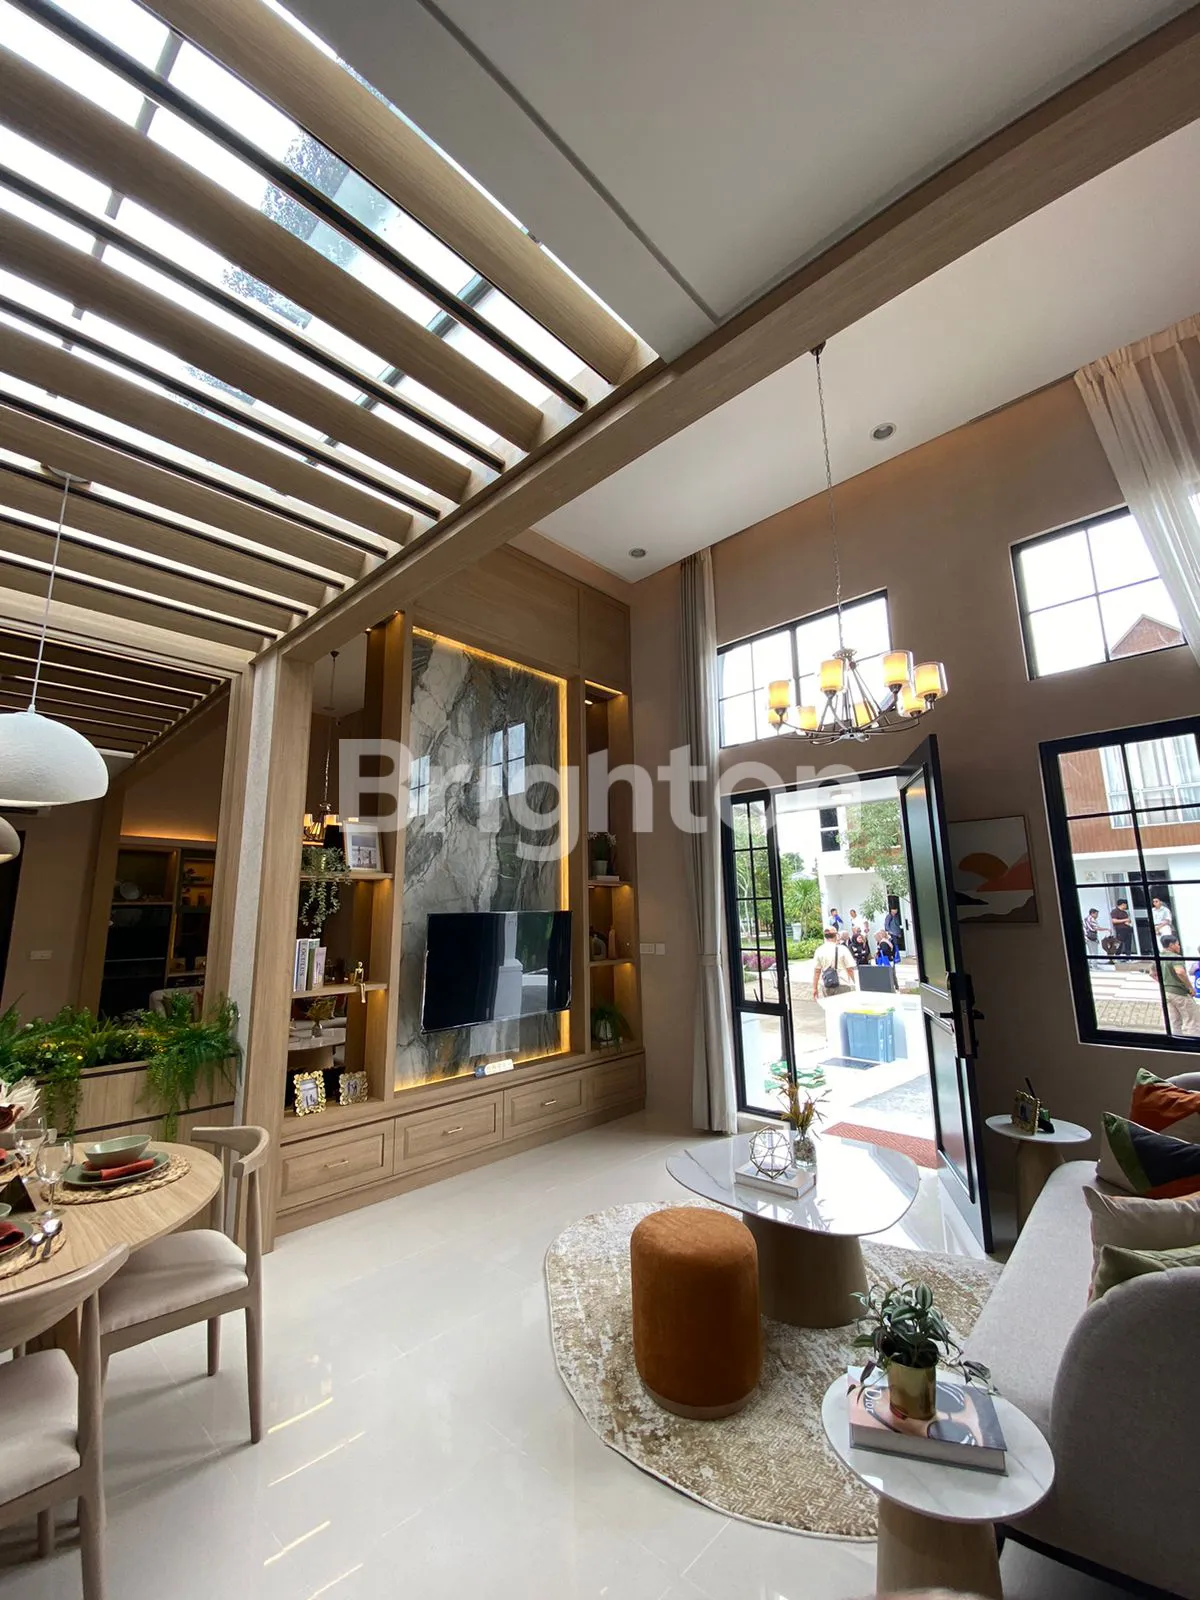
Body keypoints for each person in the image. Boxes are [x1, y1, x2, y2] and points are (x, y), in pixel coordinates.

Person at [1159, 934, 1199, 1035]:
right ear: (1171, 945)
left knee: (1174, 1022)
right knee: (1192, 1020)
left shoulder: (1159, 956)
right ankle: (1195, 1041)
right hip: (1179, 992)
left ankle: (1175, 1041)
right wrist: (1190, 987)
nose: (1179, 946)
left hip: (1166, 992)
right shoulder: (1175, 957)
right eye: (1177, 944)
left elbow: (1152, 973)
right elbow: (1180, 972)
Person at [812, 926, 856, 998]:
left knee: (829, 1005)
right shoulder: (842, 949)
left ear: (825, 936)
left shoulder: (819, 950)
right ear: (836, 935)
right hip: (842, 983)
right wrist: (856, 983)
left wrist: (815, 988)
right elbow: (849, 969)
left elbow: (817, 971)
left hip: (827, 984)